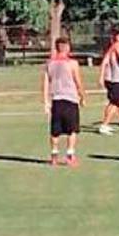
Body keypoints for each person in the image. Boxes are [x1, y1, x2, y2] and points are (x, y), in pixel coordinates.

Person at [42, 37, 85, 166]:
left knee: (55, 131)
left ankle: (54, 155)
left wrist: (45, 101)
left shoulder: (49, 63)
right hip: (70, 99)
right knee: (72, 130)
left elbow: (45, 84)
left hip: (56, 100)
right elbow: (78, 81)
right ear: (67, 47)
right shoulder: (72, 63)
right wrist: (82, 96)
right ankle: (70, 155)